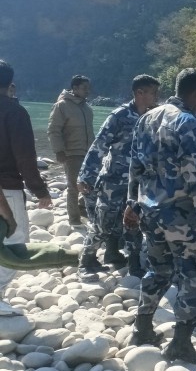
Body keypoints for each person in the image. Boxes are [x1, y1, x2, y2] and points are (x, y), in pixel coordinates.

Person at [124, 68, 196, 361]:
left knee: (158, 269)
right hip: (182, 216)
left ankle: (142, 327)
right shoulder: (189, 122)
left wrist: (131, 203)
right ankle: (181, 343)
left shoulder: (147, 118)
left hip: (151, 212)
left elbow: (135, 166)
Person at [77, 75, 160, 278]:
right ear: (139, 93)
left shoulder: (152, 117)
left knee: (134, 222)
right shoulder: (119, 116)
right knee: (103, 223)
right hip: (113, 181)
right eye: (152, 92)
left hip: (137, 184)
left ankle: (131, 264)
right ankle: (87, 260)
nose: (156, 97)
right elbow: (99, 146)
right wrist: (86, 176)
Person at [0, 60, 53, 315]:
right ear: (10, 85)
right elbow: (25, 158)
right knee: (16, 240)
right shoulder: (14, 112)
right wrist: (40, 191)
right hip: (7, 189)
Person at [47, 74, 94, 226]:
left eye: (88, 88)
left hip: (88, 153)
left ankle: (82, 209)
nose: (88, 91)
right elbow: (54, 130)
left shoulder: (87, 108)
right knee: (74, 187)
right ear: (75, 88)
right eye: (84, 88)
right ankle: (74, 219)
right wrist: (58, 151)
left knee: (90, 184)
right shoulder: (62, 105)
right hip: (71, 153)